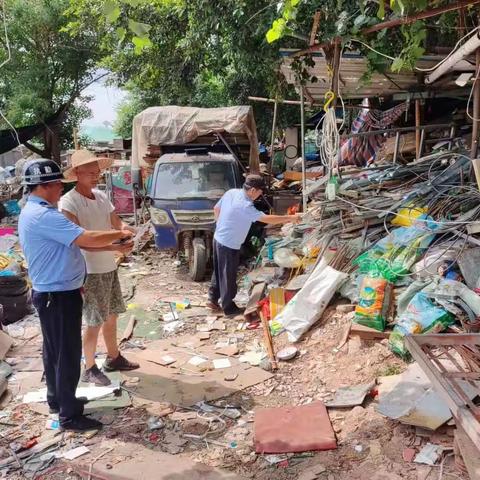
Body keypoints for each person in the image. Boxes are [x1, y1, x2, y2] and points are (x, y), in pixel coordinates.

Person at [18, 159, 133, 432]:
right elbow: (86, 238)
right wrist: (121, 234)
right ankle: (69, 415)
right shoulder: (46, 216)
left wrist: (115, 239)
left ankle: (58, 399)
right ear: (47, 186)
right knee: (67, 353)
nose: (61, 189)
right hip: (58, 295)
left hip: (51, 293)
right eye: (58, 184)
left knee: (54, 351)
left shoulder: (32, 211)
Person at [59, 150, 139, 387]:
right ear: (76, 174)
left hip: (108, 266)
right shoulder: (69, 202)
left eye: (98, 172)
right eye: (90, 173)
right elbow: (81, 241)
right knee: (94, 320)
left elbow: (116, 222)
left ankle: (113, 358)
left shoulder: (102, 197)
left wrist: (128, 230)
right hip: (89, 269)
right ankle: (89, 367)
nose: (96, 176)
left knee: (111, 316)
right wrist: (115, 247)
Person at [207, 174, 301, 317]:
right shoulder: (245, 205)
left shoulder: (231, 192)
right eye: (260, 191)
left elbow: (216, 209)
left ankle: (212, 299)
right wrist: (291, 218)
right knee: (228, 275)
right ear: (252, 190)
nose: (261, 194)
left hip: (218, 238)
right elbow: (265, 218)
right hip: (229, 243)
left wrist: (220, 225)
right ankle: (229, 308)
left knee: (219, 270)